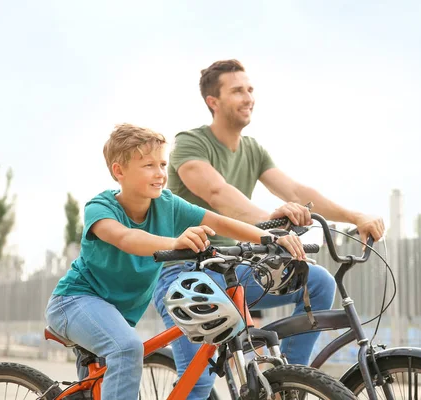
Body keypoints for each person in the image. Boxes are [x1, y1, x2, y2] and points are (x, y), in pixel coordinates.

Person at [153, 59, 386, 399]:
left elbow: (296, 192)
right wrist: (270, 228)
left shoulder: (253, 150)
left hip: (230, 266)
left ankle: (287, 384)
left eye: (250, 89)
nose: (248, 97)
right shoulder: (190, 144)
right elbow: (218, 194)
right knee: (199, 383)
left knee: (317, 280)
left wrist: (356, 216)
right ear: (212, 102)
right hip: (187, 271)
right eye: (237, 91)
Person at [45, 123, 305, 400]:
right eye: (148, 166)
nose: (160, 174)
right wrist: (174, 242)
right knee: (127, 349)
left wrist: (269, 238)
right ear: (118, 171)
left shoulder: (167, 204)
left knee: (109, 371)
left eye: (162, 164)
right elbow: (125, 238)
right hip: (73, 302)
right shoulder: (101, 207)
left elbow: (217, 221)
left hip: (116, 314)